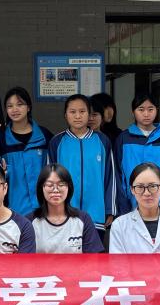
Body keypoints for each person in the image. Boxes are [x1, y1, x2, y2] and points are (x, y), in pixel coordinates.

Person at [48, 94, 115, 235]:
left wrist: (110, 209)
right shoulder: (57, 142)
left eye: (82, 111)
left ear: (89, 114)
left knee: (94, 250)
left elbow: (111, 178)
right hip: (64, 214)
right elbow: (49, 180)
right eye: (72, 112)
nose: (77, 116)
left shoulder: (102, 141)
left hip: (96, 214)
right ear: (65, 115)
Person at [114, 93, 160, 216]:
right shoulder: (123, 139)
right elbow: (118, 178)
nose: (146, 114)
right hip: (131, 210)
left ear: (156, 110)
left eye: (150, 109)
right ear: (133, 112)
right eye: (141, 109)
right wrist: (124, 211)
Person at [0, 87, 53, 218]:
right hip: (14, 211)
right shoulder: (1, 139)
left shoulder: (45, 136)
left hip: (45, 209)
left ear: (28, 107)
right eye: (10, 106)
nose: (15, 109)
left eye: (20, 104)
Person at [31, 164, 104, 254]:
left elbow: (94, 258)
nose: (55, 190)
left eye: (61, 185)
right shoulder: (30, 221)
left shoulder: (83, 219)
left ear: (69, 188)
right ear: (41, 188)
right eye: (50, 185)